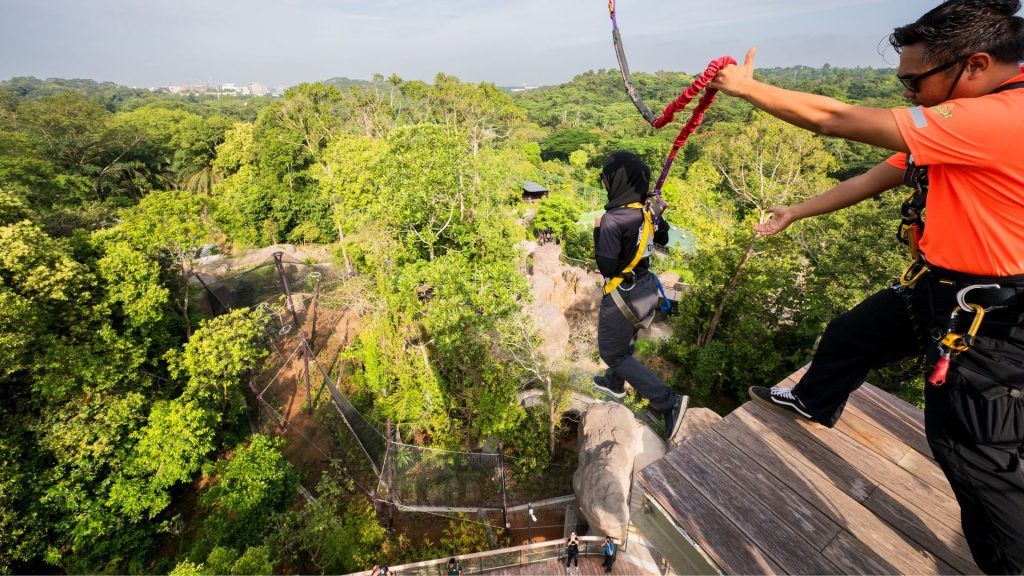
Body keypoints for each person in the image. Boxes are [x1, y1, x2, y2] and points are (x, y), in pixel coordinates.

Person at [708, 1, 1024, 573]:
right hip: (941, 288)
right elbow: (879, 175)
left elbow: (834, 119)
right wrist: (797, 212)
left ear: (975, 64)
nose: (907, 93)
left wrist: (749, 90)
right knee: (853, 334)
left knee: (970, 453)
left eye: (914, 81)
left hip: (990, 318)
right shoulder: (966, 121)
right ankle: (813, 398)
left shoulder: (1000, 119)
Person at [593, 151, 686, 441]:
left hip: (623, 294)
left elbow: (606, 266)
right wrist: (658, 216)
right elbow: (663, 238)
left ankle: (668, 402)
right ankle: (615, 381)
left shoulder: (612, 220)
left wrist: (597, 231)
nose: (606, 185)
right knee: (626, 341)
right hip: (645, 289)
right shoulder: (647, 211)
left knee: (611, 352)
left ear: (618, 181)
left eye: (607, 180)